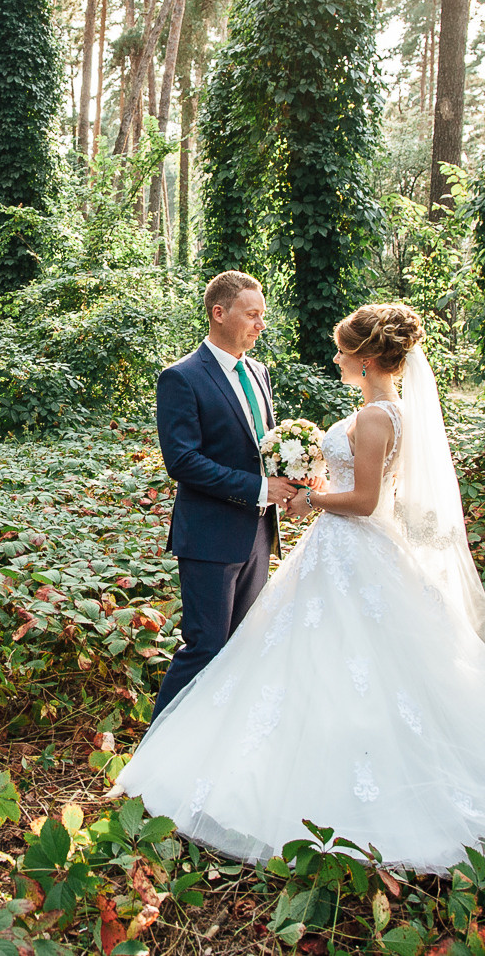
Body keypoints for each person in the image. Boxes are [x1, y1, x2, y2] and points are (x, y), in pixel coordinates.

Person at [114, 303, 485, 871]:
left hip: (351, 547)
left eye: (343, 350)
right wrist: (309, 486)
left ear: (367, 360)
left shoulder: (375, 418)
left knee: (334, 664)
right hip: (340, 550)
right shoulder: (384, 410)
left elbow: (366, 501)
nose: (337, 357)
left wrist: (307, 498)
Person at [150, 271, 308, 716]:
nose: (261, 325)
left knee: (244, 648)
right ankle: (150, 762)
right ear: (219, 313)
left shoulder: (259, 372)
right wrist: (258, 486)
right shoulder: (181, 378)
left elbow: (260, 444)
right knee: (205, 647)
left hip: (259, 534)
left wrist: (294, 478)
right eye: (252, 315)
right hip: (210, 537)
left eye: (263, 315)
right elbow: (182, 461)